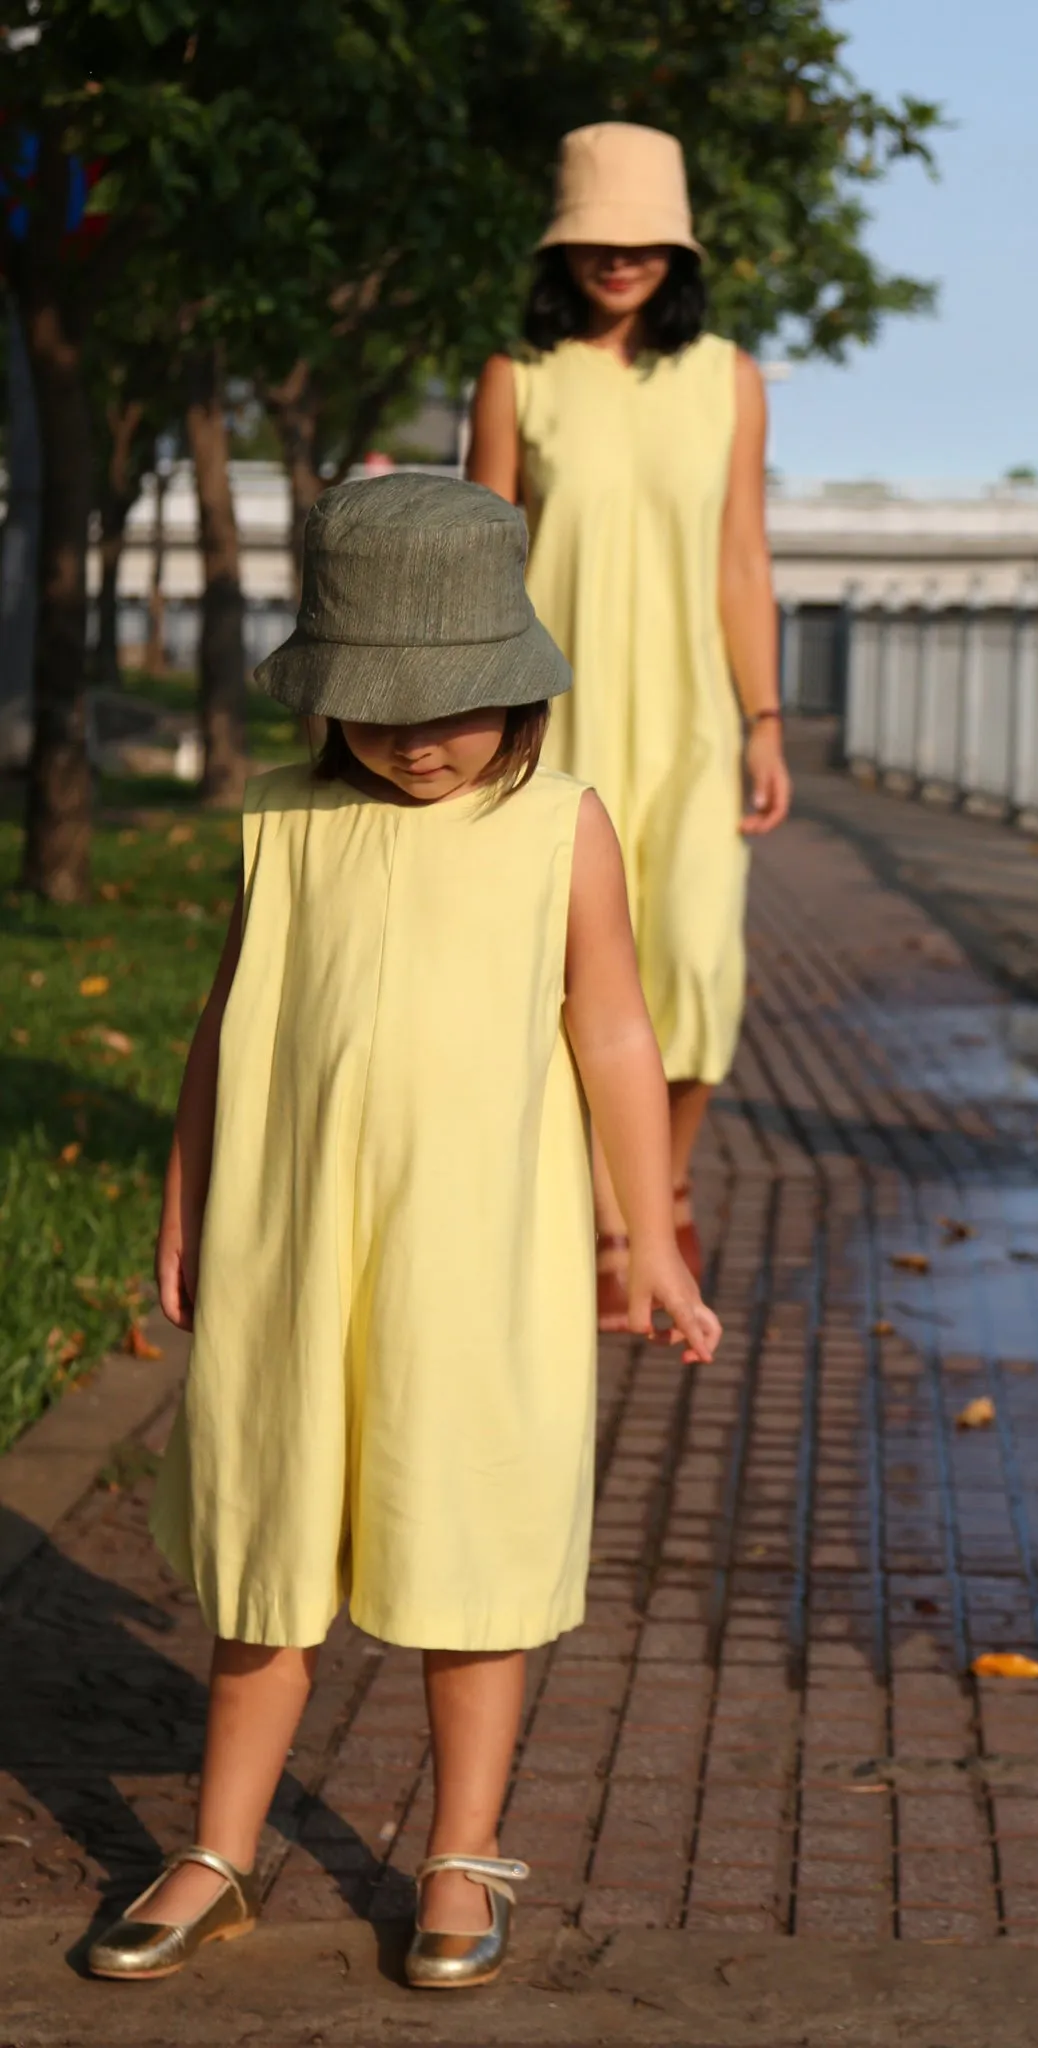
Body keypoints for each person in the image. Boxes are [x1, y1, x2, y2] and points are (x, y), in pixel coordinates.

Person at [86, 473, 720, 1992]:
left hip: (475, 1260)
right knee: (268, 1548)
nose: (420, 735)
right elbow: (228, 1021)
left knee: (466, 1546)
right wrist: (186, 1196)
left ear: (519, 688)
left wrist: (651, 1238)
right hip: (292, 1253)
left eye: (455, 703)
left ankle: (460, 1852)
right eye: (382, 705)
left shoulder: (558, 825)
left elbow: (617, 1034)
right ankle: (221, 1850)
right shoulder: (286, 822)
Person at [467, 121, 792, 1327]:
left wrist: (763, 717)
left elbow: (742, 558)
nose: (618, 257)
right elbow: (482, 556)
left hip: (696, 719)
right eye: (595, 237)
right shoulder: (518, 376)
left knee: (699, 965)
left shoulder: (728, 380)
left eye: (642, 236)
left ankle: (656, 1175)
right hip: (559, 714)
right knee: (569, 972)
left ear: (676, 246)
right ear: (563, 246)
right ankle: (611, 1216)